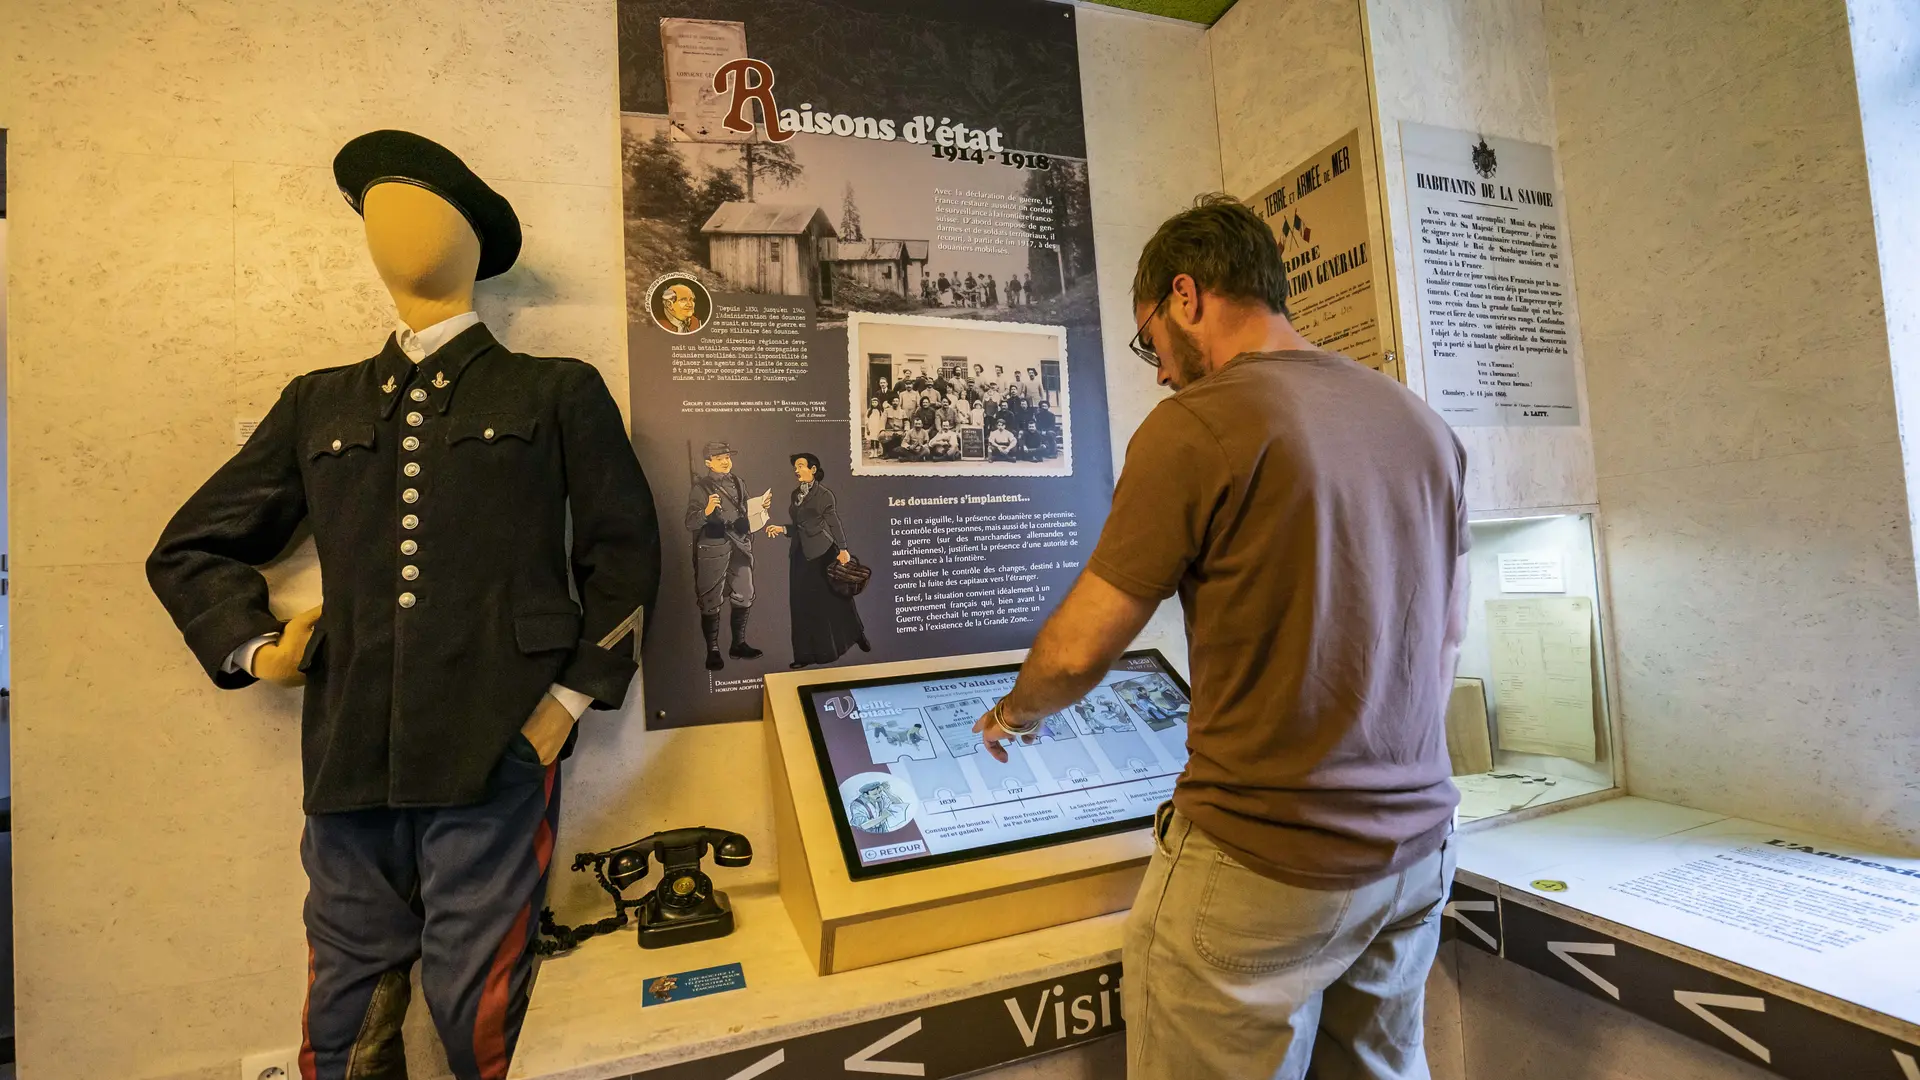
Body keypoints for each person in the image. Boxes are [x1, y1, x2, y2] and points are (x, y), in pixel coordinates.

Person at [146, 131, 663, 1080]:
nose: (397, 223)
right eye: (379, 206)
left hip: (498, 743)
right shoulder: (320, 402)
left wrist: (566, 704)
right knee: (343, 1009)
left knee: (481, 1005)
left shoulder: (553, 391)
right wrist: (259, 650)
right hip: (349, 748)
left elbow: (624, 558)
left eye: (423, 205)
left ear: (472, 241)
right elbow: (190, 547)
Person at [971, 194, 1468, 1080]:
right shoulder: (1420, 423)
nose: (1158, 370)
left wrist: (1015, 713)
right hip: (1417, 851)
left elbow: (1082, 649)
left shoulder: (1198, 423)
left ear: (1186, 296)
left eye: (1149, 338)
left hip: (1262, 858)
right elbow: (1447, 640)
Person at [765, 453, 868, 668]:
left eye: (801, 465)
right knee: (801, 604)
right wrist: (783, 529)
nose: (796, 469)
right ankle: (804, 655)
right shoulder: (796, 494)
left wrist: (843, 549)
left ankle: (856, 634)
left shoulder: (824, 495)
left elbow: (834, 523)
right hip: (800, 556)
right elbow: (801, 527)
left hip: (823, 554)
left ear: (813, 469)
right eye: (795, 466)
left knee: (838, 599)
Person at [686, 442, 773, 671]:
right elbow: (690, 522)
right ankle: (713, 650)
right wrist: (705, 512)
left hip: (739, 546)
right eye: (719, 458)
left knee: (745, 593)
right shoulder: (700, 488)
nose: (725, 461)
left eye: (727, 457)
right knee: (711, 599)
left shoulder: (738, 482)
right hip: (713, 549)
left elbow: (742, 509)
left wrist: (758, 506)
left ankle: (738, 644)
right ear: (708, 463)